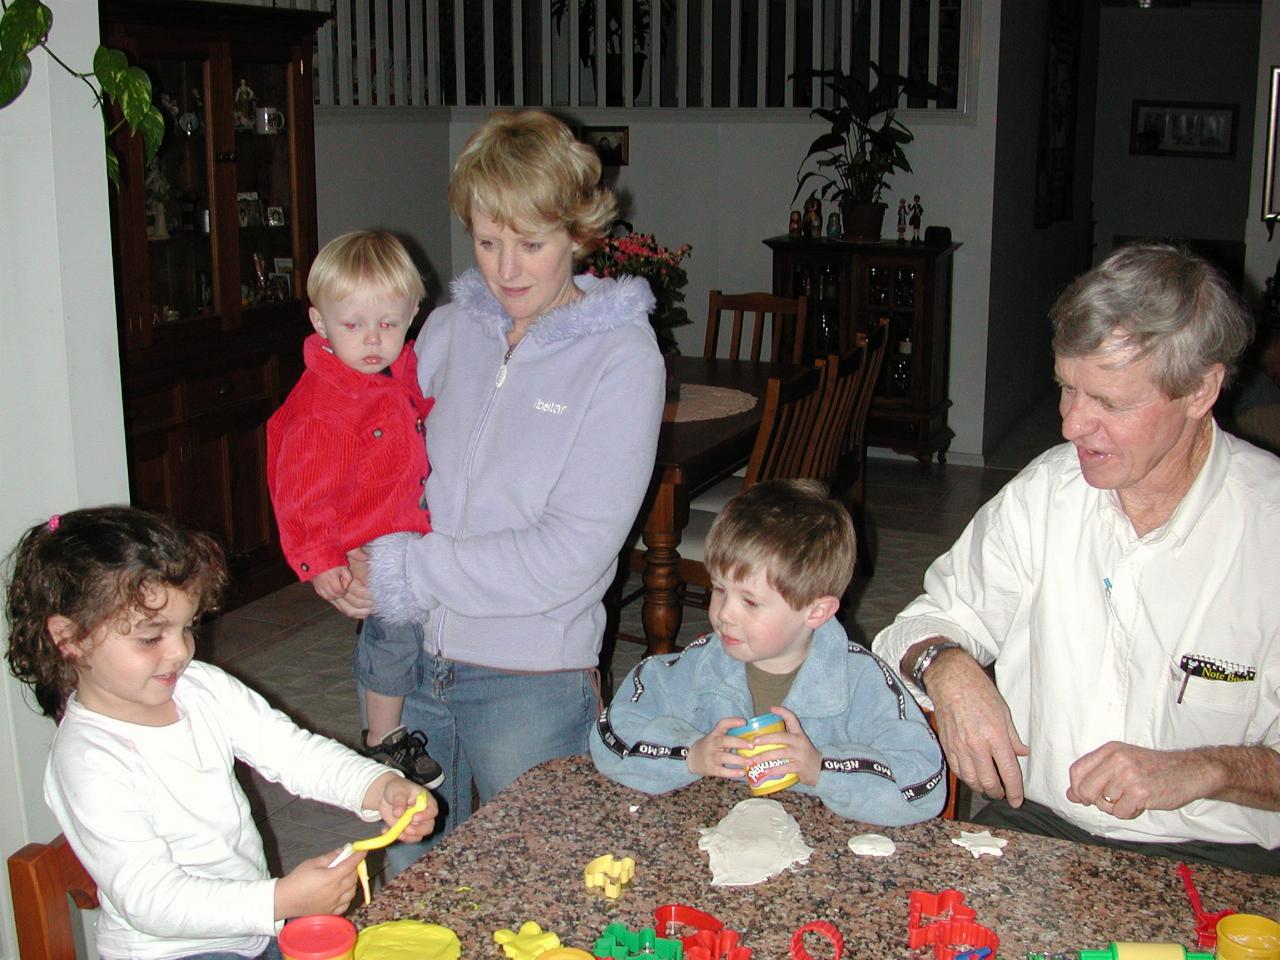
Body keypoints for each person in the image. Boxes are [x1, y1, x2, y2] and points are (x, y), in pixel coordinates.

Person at [872, 241, 1280, 874]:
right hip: (1042, 826)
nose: (1070, 426)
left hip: (1221, 853)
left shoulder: (1269, 527)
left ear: (1201, 390)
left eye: (1110, 404)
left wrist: (1203, 769)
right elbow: (919, 626)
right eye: (1066, 389)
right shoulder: (1047, 491)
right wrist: (947, 666)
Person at [330, 110, 666, 856]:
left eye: (531, 243)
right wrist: (341, 554)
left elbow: (569, 554)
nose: (506, 269)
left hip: (529, 679)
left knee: (536, 894)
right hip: (407, 659)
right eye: (488, 241)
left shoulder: (621, 358)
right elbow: (378, 462)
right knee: (412, 898)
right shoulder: (448, 331)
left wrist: (404, 569)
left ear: (578, 234)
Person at [4, 507, 438, 960]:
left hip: (248, 930)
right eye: (152, 637)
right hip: (170, 951)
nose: (180, 651)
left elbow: (294, 754)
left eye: (187, 627)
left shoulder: (201, 688)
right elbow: (151, 899)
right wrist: (280, 900)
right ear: (70, 639)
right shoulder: (88, 760)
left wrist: (375, 786)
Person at [591, 480, 946, 824]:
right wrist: (689, 754)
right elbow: (611, 736)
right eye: (718, 589)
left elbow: (924, 786)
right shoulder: (695, 667)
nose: (724, 614)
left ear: (815, 612)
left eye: (749, 601)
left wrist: (820, 768)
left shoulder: (863, 682)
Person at [266, 230, 443, 790]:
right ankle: (382, 738)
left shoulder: (398, 367)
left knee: (413, 632)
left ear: (412, 315)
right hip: (371, 540)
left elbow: (421, 406)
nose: (373, 339)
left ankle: (414, 712)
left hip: (409, 524)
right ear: (320, 324)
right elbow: (299, 491)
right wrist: (319, 560)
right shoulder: (322, 405)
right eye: (354, 325)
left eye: (388, 324)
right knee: (391, 633)